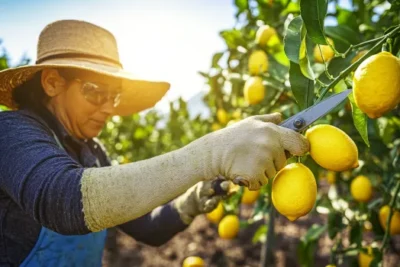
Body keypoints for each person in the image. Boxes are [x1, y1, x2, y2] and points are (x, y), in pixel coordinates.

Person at [0, 20, 309, 266]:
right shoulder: (9, 132)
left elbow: (148, 228)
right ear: (53, 83)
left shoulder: (91, 152)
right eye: (95, 91)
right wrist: (210, 153)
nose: (109, 108)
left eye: (114, 96)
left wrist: (190, 202)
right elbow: (62, 199)